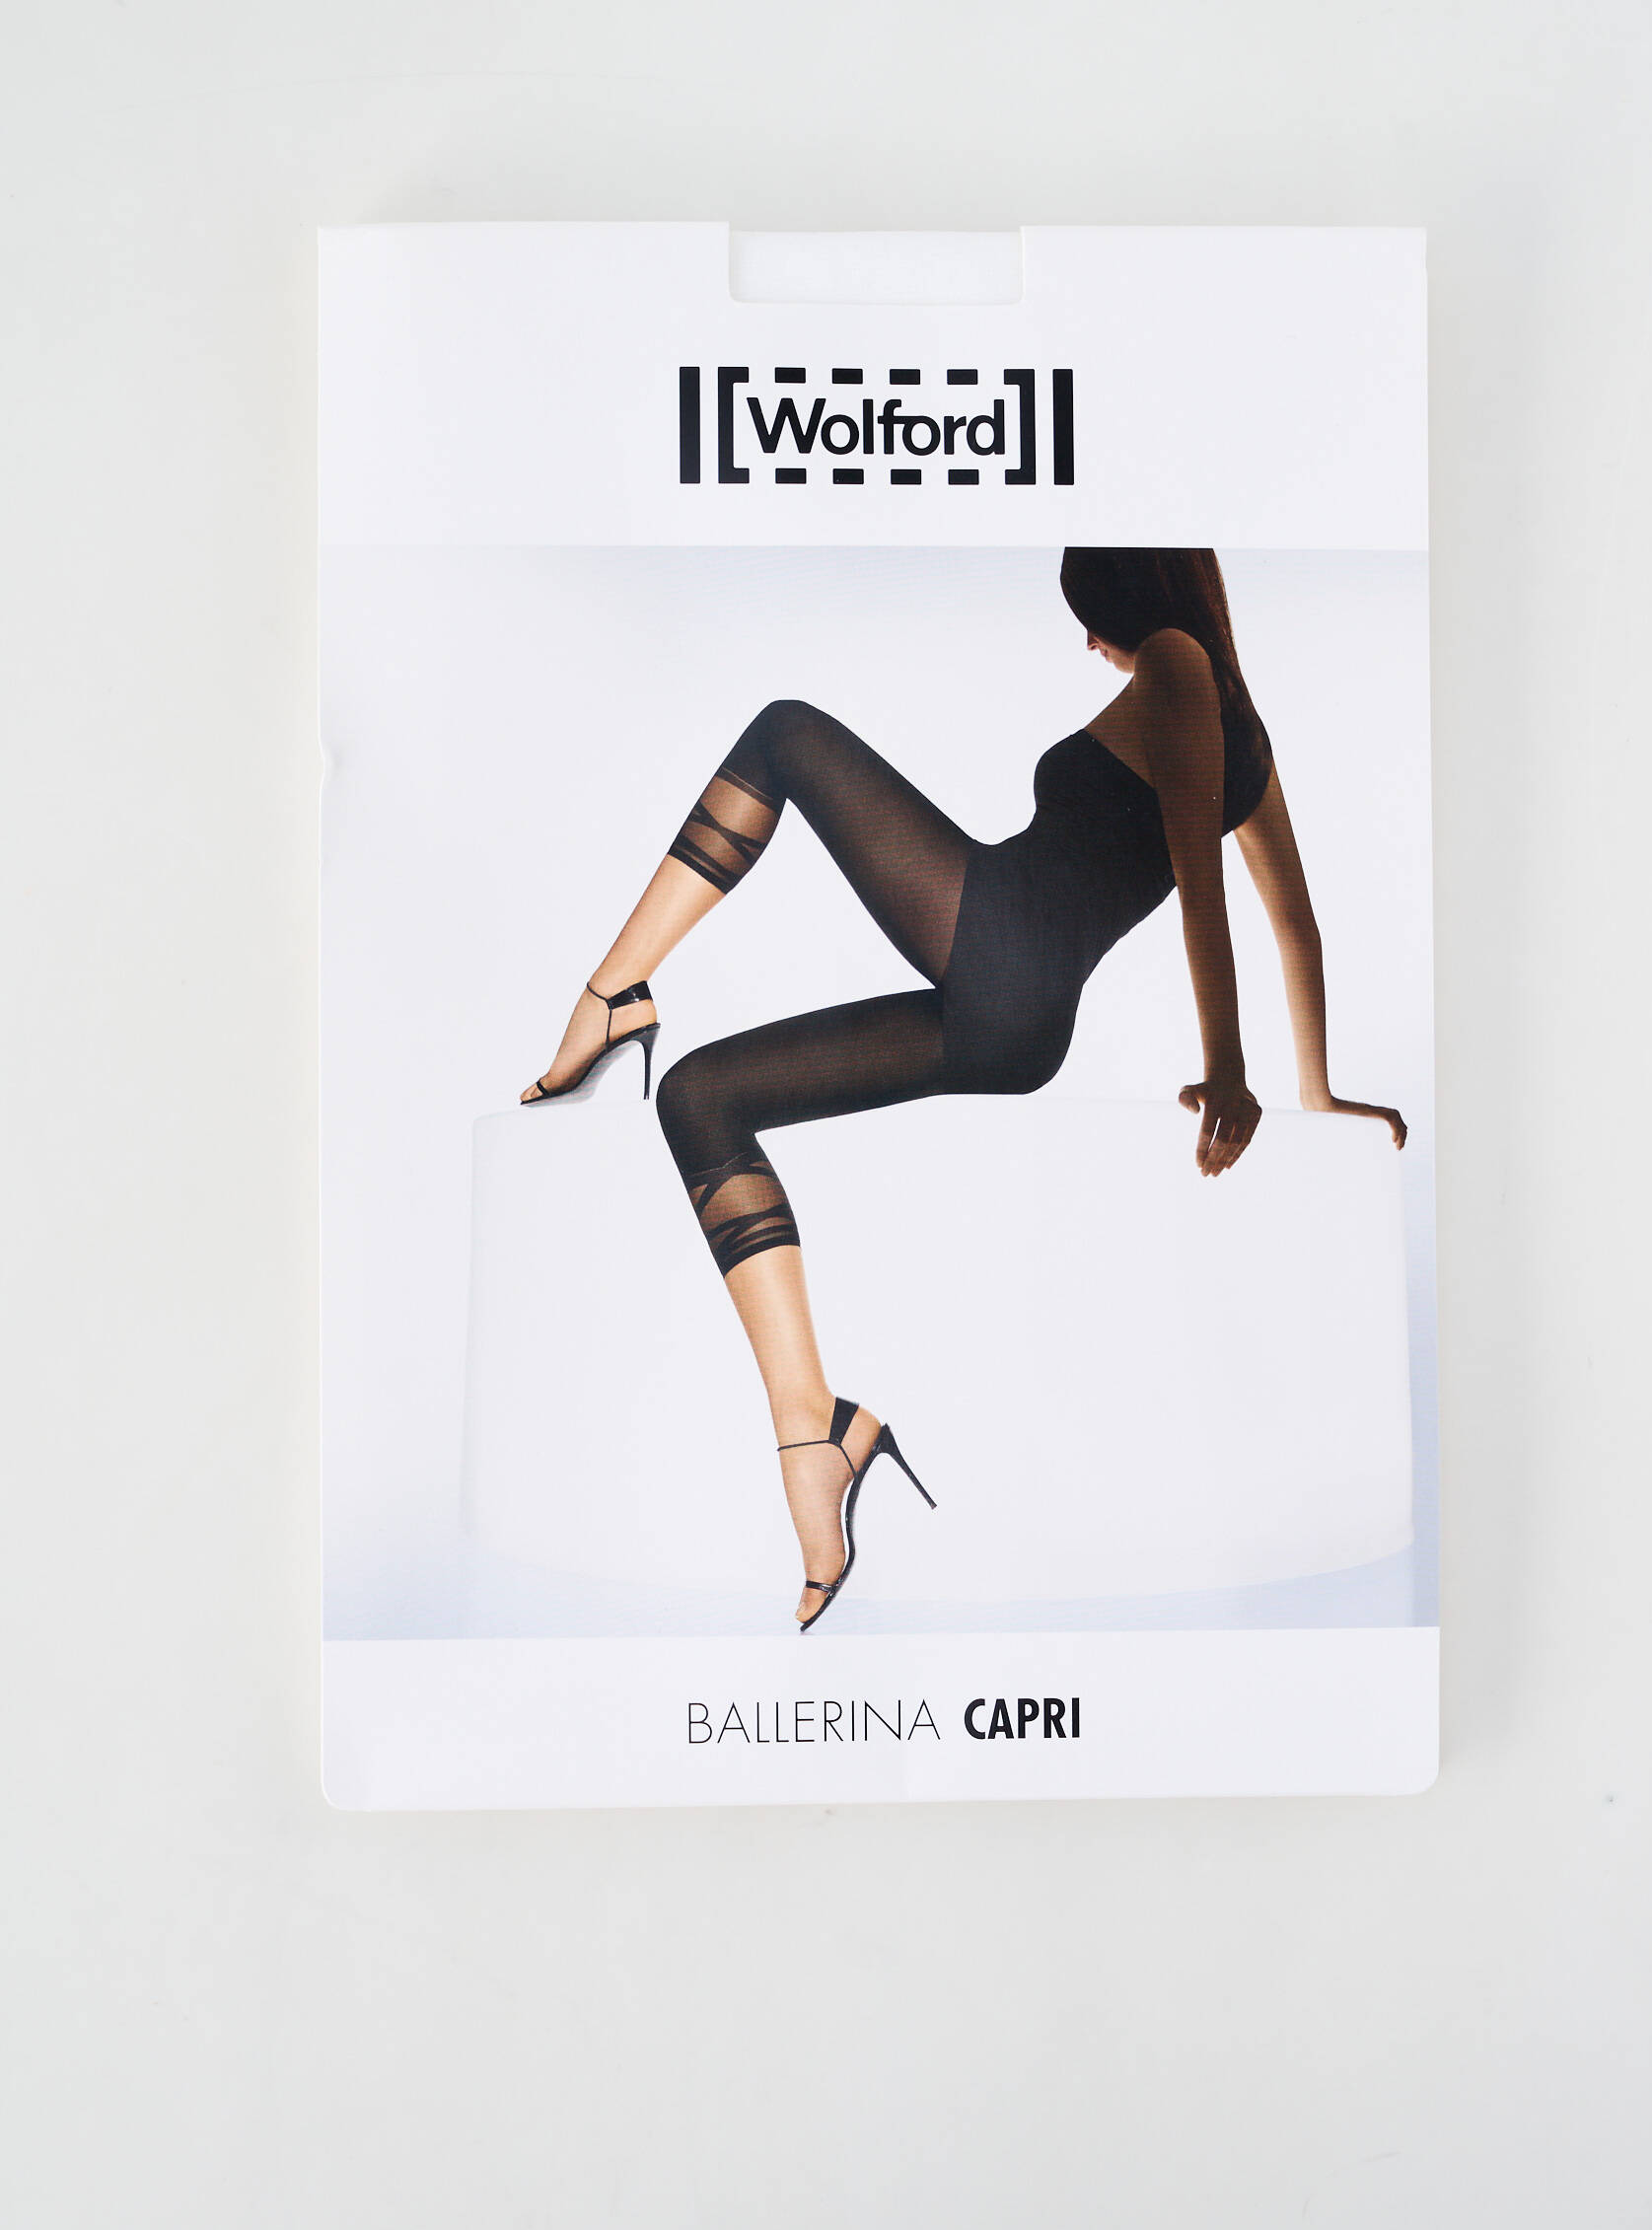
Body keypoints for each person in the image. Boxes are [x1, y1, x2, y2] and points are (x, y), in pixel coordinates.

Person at [521, 549, 1405, 1630]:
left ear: (1141, 602)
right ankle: (815, 1433)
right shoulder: (1245, 742)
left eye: (1094, 617)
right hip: (1015, 1026)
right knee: (699, 1098)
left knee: (785, 734)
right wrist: (1321, 1091)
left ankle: (611, 991)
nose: (1090, 642)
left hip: (996, 939)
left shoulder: (1176, 665)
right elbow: (1295, 925)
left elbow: (1202, 885)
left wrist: (1230, 1064)